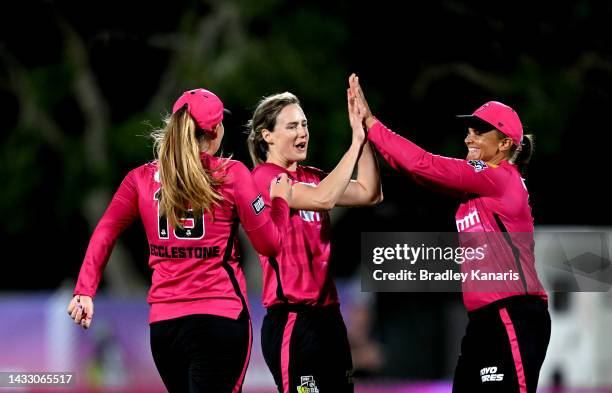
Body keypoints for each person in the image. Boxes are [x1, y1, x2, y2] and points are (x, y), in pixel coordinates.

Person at [67, 88, 292, 393]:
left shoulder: (140, 178)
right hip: (220, 318)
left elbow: (106, 230)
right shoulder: (233, 174)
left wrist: (85, 290)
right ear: (214, 132)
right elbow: (269, 245)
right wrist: (279, 203)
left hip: (165, 327)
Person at [350, 75, 550, 393]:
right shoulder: (477, 188)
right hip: (485, 321)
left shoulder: (499, 178)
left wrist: (372, 124)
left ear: (505, 144)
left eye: (481, 131)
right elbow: (412, 169)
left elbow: (421, 164)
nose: (470, 137)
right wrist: (368, 136)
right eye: (469, 130)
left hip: (512, 314)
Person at [245, 77, 383, 393]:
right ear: (267, 135)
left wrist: (362, 136)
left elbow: (369, 192)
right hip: (293, 319)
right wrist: (353, 145)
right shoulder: (264, 178)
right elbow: (322, 198)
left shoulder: (312, 178)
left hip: (329, 319)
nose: (302, 132)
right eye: (291, 126)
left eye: (304, 125)